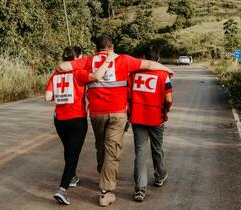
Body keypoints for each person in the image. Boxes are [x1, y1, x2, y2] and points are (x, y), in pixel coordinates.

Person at [59, 35, 174, 207]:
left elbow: (62, 66)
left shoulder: (88, 61)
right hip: (118, 113)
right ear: (111, 47)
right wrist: (167, 70)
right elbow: (149, 64)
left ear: (97, 48)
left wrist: (87, 71)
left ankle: (104, 173)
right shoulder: (123, 59)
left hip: (96, 113)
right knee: (112, 149)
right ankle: (106, 192)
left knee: (101, 146)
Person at [44, 46, 117, 205]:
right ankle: (62, 189)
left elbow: (48, 96)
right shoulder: (79, 73)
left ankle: (72, 177)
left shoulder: (56, 74)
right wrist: (108, 60)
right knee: (73, 155)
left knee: (68, 150)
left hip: (59, 119)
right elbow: (97, 76)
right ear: (77, 58)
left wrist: (62, 94)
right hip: (76, 118)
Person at [128, 48, 173, 202]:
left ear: (144, 58)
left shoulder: (134, 75)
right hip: (156, 118)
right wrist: (165, 110)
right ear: (158, 59)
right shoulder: (163, 75)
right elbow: (168, 99)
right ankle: (160, 176)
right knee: (157, 147)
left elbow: (128, 96)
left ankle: (140, 189)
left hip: (138, 118)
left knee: (140, 151)